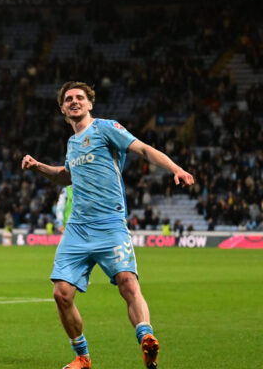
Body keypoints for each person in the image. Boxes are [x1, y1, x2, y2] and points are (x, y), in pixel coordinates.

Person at [21, 81, 194, 369]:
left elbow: (143, 149)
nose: (74, 101)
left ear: (90, 103)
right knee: (61, 294)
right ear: (62, 109)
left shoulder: (106, 128)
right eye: (68, 99)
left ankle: (146, 337)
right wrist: (39, 166)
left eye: (80, 97)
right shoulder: (72, 143)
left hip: (110, 225)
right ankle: (82, 356)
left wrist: (175, 168)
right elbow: (66, 176)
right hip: (77, 228)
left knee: (128, 283)